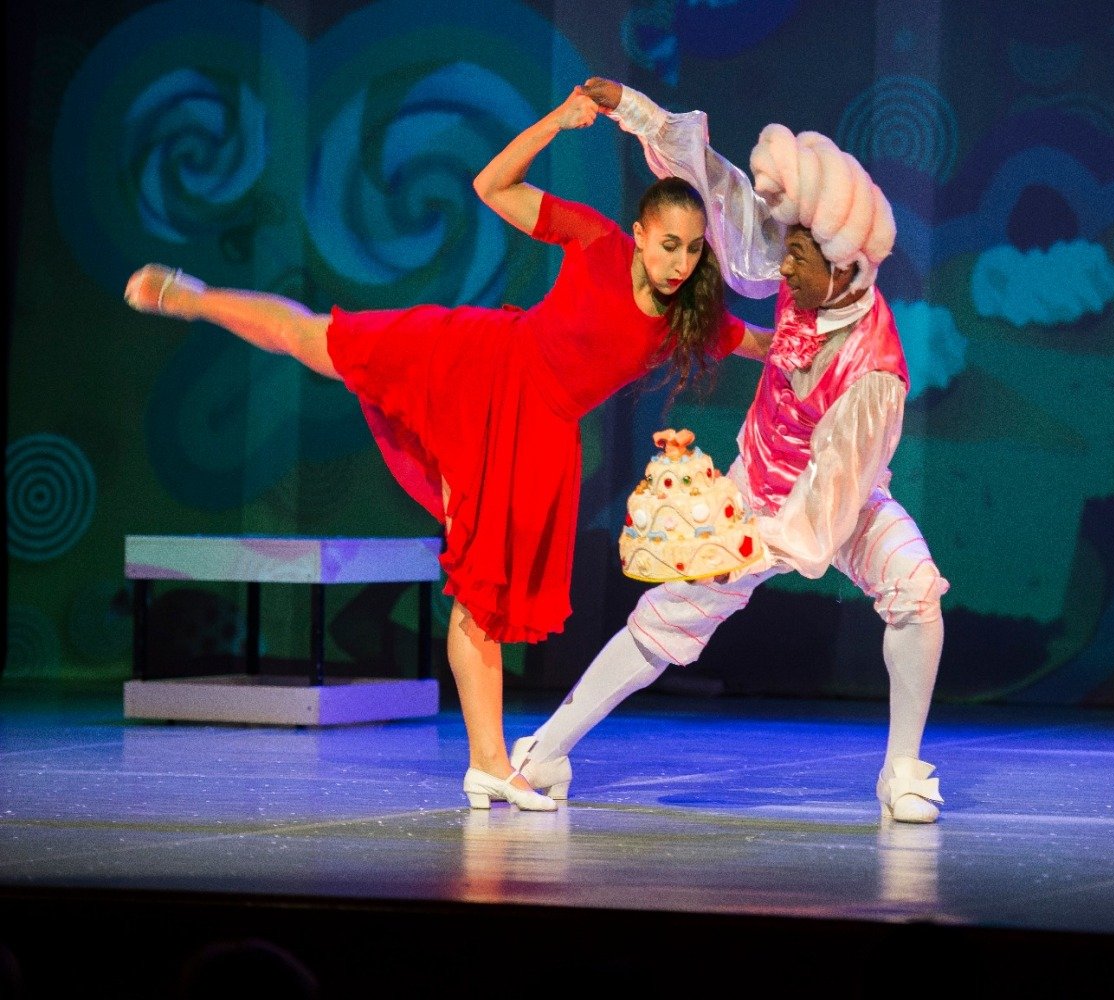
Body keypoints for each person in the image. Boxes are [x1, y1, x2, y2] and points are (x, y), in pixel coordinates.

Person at [123, 86, 770, 813]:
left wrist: (833, 347)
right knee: (317, 340)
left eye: (693, 249)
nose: (679, 262)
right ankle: (194, 297)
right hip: (476, 367)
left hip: (534, 438)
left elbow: (765, 343)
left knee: (480, 593)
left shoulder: (690, 317)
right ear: (641, 233)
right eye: (668, 244)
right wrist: (557, 121)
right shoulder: (596, 242)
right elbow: (492, 186)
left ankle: (488, 763)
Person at [510, 80, 950, 823]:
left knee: (914, 587)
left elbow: (830, 500)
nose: (783, 267)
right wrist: (636, 112)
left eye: (798, 257)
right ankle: (546, 751)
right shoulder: (809, 270)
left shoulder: (872, 369)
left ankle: (902, 769)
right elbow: (723, 191)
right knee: (666, 616)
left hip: (835, 502)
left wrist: (737, 542)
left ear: (844, 266)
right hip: (758, 484)